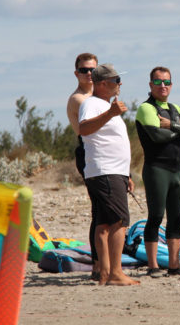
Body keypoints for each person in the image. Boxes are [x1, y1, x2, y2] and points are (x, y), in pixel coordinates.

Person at [78, 63, 140, 286]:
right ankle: (115, 272)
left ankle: (104, 273)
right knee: (119, 221)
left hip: (113, 171)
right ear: (102, 83)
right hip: (105, 171)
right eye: (116, 81)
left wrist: (127, 175)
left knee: (104, 224)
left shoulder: (102, 105)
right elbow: (83, 128)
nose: (119, 84)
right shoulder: (92, 104)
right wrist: (110, 113)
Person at [135, 67, 180, 277]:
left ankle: (174, 265)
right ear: (150, 84)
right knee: (155, 217)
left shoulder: (174, 107)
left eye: (167, 82)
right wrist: (178, 129)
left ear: (171, 84)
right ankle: (152, 266)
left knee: (176, 218)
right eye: (158, 82)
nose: (163, 86)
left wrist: (171, 125)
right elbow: (156, 136)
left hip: (176, 171)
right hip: (156, 169)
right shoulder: (146, 108)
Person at [66, 52, 99, 279]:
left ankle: (105, 262)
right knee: (99, 209)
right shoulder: (78, 99)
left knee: (110, 212)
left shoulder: (99, 95)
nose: (89, 74)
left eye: (93, 70)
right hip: (89, 153)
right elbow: (87, 130)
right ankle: (98, 264)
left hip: (107, 152)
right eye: (85, 70)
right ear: (76, 73)